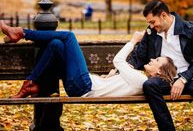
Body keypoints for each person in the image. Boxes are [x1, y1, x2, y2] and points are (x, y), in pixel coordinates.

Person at [128, 0, 193, 131]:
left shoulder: (192, 30)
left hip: (192, 77)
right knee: (149, 86)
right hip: (165, 79)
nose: (150, 26)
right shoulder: (152, 34)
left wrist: (183, 78)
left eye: (152, 22)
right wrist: (119, 70)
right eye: (149, 23)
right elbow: (138, 57)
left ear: (164, 15)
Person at [0, 20, 176, 100]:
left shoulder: (141, 80)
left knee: (69, 37)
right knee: (55, 45)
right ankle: (31, 83)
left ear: (160, 71)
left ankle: (21, 33)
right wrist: (111, 78)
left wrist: (133, 41)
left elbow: (118, 61)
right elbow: (119, 74)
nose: (153, 59)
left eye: (157, 60)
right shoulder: (139, 79)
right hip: (82, 86)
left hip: (84, 86)